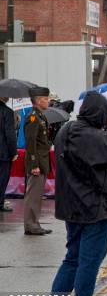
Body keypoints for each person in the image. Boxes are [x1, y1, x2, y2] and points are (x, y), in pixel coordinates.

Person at [44, 91, 107, 296]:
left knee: (72, 260)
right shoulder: (96, 137)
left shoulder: (66, 131)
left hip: (71, 208)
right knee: (88, 265)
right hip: (97, 209)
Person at [23, 86, 52, 235]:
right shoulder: (33, 117)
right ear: (39, 100)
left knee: (37, 195)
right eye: (46, 99)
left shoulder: (41, 116)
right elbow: (30, 143)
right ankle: (30, 225)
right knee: (33, 195)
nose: (49, 101)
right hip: (37, 163)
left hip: (42, 161)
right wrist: (34, 164)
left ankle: (35, 222)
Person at [0, 96, 18, 212]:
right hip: (3, 152)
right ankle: (0, 203)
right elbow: (10, 134)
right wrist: (14, 152)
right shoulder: (7, 111)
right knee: (2, 179)